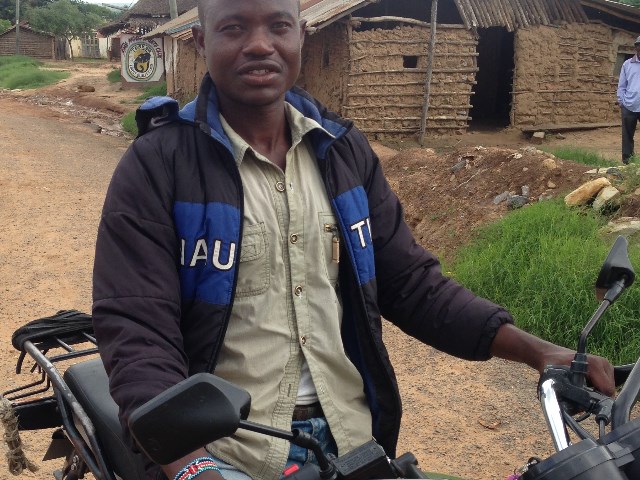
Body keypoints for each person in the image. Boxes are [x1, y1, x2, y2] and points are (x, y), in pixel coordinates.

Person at [92, 0, 615, 479]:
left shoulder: (342, 152)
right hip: (225, 452)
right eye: (233, 28)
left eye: (278, 26)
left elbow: (410, 283)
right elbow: (137, 329)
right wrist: (190, 465)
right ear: (201, 42)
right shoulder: (158, 166)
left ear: (302, 36)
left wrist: (538, 352)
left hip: (351, 441)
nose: (259, 44)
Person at [617, 35, 640, 164]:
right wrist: (621, 102)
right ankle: (627, 163)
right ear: (636, 47)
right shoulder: (627, 64)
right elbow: (622, 85)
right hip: (629, 105)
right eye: (639, 45)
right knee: (627, 137)